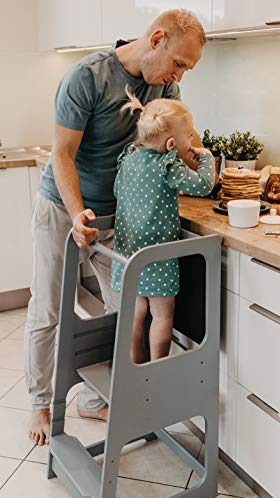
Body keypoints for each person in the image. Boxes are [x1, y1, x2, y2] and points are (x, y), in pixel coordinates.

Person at [25, 9, 208, 446]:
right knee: (49, 307)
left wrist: (191, 152)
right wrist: (76, 214)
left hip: (116, 218)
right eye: (179, 62)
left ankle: (93, 400)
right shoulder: (86, 78)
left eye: (185, 68)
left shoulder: (165, 86)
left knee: (123, 310)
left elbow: (161, 144)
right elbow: (63, 154)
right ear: (157, 38)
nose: (179, 75)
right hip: (62, 206)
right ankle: (38, 403)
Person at [112, 89, 215, 363]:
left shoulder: (129, 158)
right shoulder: (168, 166)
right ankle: (156, 370)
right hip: (157, 258)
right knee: (162, 315)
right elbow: (204, 186)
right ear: (171, 144)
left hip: (128, 254)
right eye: (189, 135)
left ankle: (134, 367)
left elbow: (117, 190)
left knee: (134, 315)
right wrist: (207, 158)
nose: (192, 140)